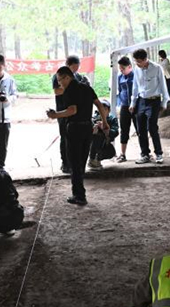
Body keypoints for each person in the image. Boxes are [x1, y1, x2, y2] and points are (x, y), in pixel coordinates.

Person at [48, 67, 109, 205]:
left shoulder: (69, 90)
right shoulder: (87, 87)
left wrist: (55, 115)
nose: (59, 84)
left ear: (67, 77)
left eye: (60, 80)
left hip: (74, 128)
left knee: (74, 162)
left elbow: (72, 110)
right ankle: (80, 191)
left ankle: (79, 195)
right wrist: (104, 121)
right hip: (87, 127)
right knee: (81, 160)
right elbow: (99, 104)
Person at [130, 49, 170, 165]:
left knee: (152, 127)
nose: (137, 64)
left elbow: (163, 86)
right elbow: (135, 87)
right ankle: (145, 154)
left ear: (145, 59)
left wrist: (164, 102)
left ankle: (159, 153)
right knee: (140, 129)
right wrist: (133, 103)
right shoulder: (137, 69)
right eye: (135, 61)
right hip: (141, 101)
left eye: (138, 61)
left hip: (154, 101)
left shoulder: (157, 68)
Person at [52, 56, 90, 174]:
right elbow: (57, 91)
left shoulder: (78, 77)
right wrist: (75, 87)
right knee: (64, 137)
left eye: (78, 68)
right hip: (63, 111)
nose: (76, 70)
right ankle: (65, 163)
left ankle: (77, 165)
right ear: (68, 65)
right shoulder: (58, 76)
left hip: (78, 114)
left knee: (77, 141)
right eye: (74, 67)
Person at [88, 99, 119, 169]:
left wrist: (105, 128)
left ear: (109, 110)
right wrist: (93, 130)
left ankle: (97, 159)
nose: (102, 111)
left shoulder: (112, 119)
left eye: (105, 109)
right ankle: (92, 159)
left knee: (111, 152)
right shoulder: (94, 118)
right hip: (91, 144)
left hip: (105, 144)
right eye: (100, 109)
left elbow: (115, 132)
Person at [115, 56, 135, 163]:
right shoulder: (120, 77)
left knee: (141, 129)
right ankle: (122, 154)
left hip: (136, 106)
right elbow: (120, 89)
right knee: (124, 130)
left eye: (123, 68)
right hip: (124, 106)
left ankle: (145, 153)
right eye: (120, 69)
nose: (121, 71)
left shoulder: (136, 76)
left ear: (130, 67)